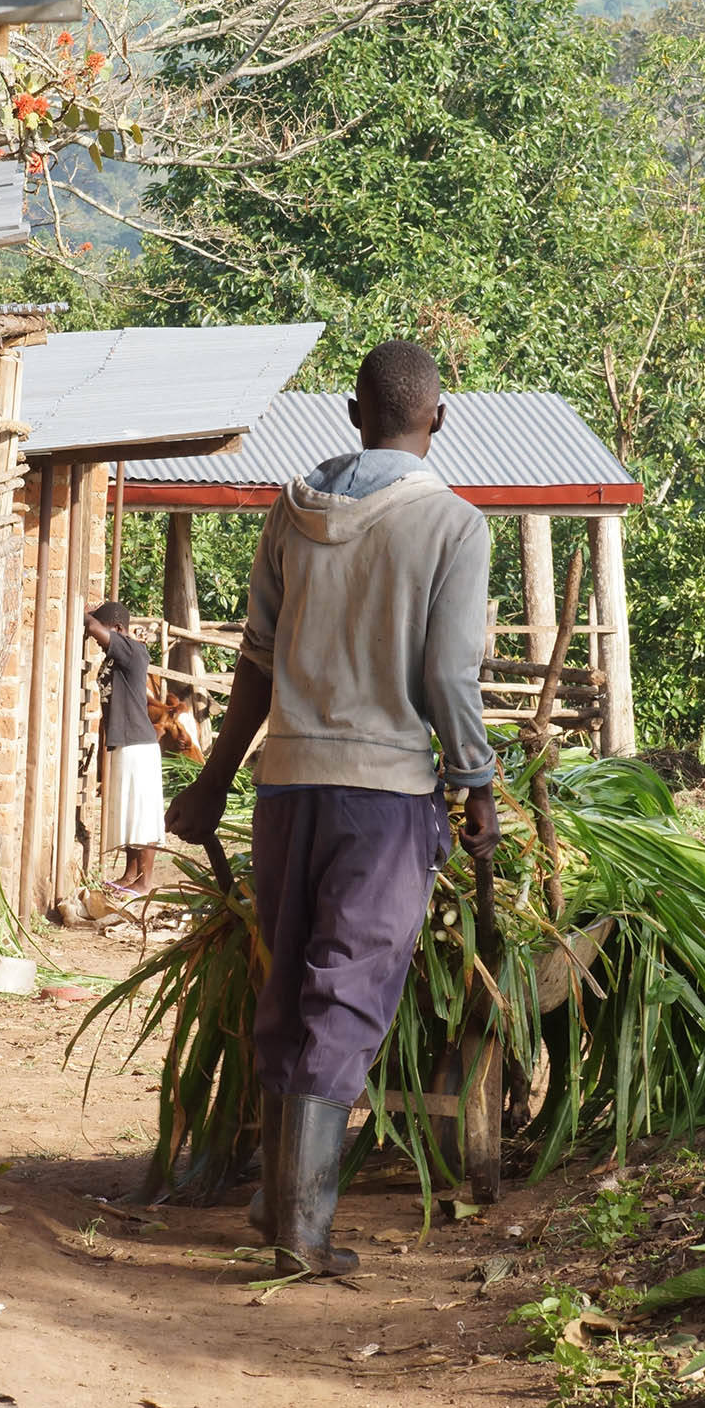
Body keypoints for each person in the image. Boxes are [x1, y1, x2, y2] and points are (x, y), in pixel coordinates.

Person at [167, 340, 499, 1278]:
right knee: (346, 990)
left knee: (287, 985)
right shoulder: (453, 526)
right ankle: (303, 1234)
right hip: (384, 797)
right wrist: (475, 784)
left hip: (286, 788)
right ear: (438, 417)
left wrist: (213, 780)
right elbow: (445, 675)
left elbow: (256, 662)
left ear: (355, 417)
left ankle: (276, 1206)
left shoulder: (292, 509)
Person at [85, 600, 166, 894]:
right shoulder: (119, 654)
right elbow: (97, 626)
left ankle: (145, 881)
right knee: (131, 812)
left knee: (142, 813)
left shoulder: (132, 651)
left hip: (138, 743)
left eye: (108, 632)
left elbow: (93, 627)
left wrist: (83, 615)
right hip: (125, 741)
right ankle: (130, 874)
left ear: (118, 630)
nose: (97, 642)